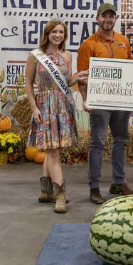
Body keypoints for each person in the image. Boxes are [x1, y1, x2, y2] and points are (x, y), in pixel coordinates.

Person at [77, 3, 133, 204]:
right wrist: (86, 99)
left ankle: (118, 182)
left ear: (115, 19)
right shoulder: (88, 44)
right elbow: (82, 76)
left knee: (121, 141)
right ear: (97, 19)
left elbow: (130, 68)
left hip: (121, 100)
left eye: (111, 16)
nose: (107, 20)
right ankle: (94, 187)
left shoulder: (123, 41)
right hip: (100, 101)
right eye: (104, 16)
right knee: (98, 143)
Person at [26, 18, 86, 213]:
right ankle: (60, 193)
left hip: (62, 106)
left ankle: (46, 192)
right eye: (54, 32)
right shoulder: (36, 55)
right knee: (53, 151)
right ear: (47, 34)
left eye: (61, 32)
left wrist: (75, 78)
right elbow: (28, 83)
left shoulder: (67, 55)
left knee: (54, 149)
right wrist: (34, 107)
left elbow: (65, 82)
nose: (58, 35)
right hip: (44, 106)